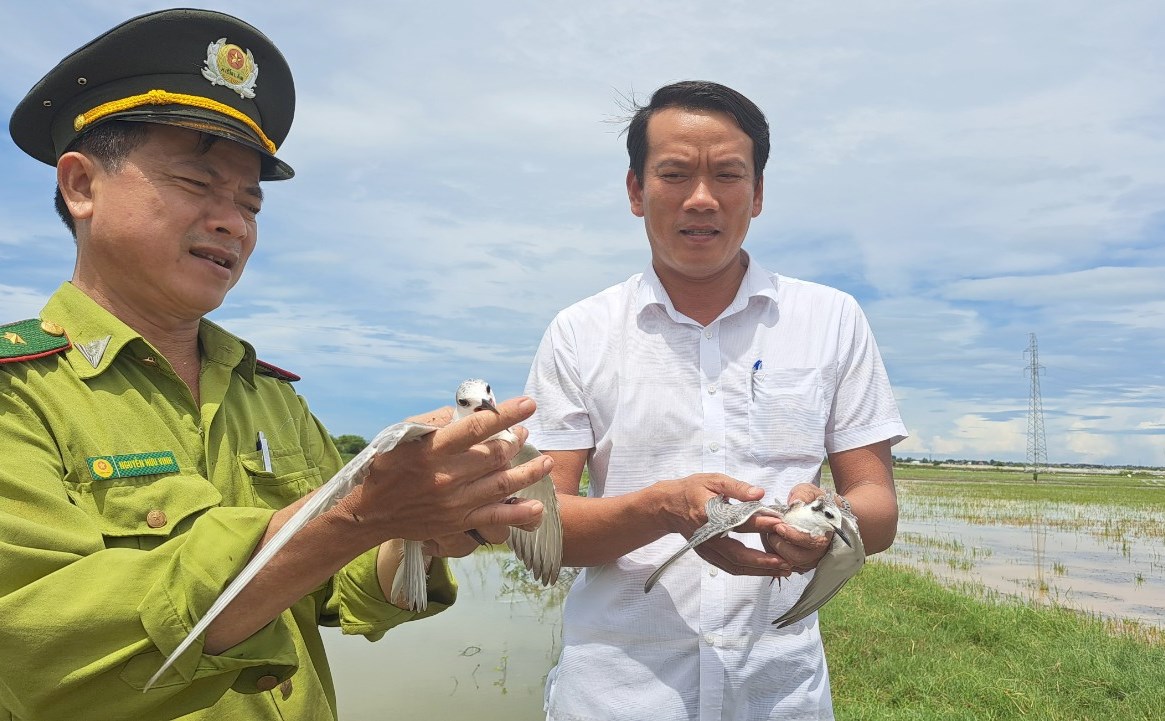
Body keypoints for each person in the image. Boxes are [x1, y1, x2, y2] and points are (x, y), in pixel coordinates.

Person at [0, 9, 550, 721]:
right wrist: (354, 515)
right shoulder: (20, 394)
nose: (231, 221)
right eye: (198, 185)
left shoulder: (271, 398)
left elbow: (339, 590)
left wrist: (415, 531)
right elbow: (36, 653)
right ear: (81, 186)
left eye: (248, 202)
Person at [523, 80, 908, 720]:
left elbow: (879, 508)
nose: (701, 198)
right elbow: (544, 530)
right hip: (615, 694)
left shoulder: (831, 319)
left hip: (779, 694)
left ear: (756, 194)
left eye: (728, 174)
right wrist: (663, 509)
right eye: (674, 173)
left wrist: (830, 522)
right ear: (635, 190)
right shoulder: (579, 331)